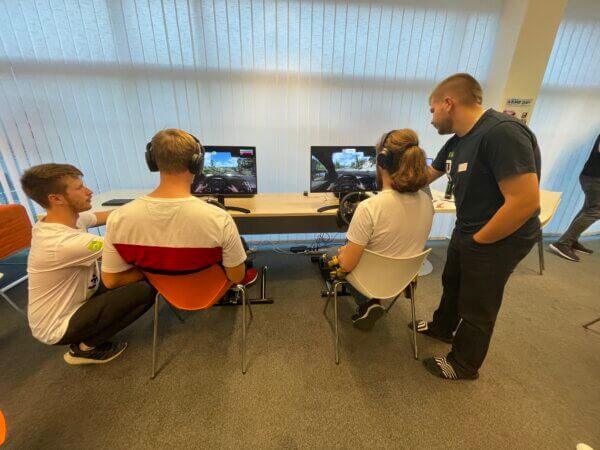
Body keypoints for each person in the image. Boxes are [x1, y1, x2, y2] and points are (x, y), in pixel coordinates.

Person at [415, 73, 541, 380]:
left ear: (448, 103)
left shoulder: (502, 133)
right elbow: (425, 176)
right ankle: (442, 327)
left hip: (501, 234)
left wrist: (480, 241)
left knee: (478, 301)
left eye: (432, 110)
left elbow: (525, 202)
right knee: (453, 281)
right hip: (468, 227)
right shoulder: (457, 141)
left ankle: (463, 364)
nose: (431, 119)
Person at [20, 164, 156, 365]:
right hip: (58, 325)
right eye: (79, 188)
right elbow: (131, 251)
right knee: (145, 288)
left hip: (81, 296)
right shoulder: (62, 243)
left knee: (131, 277)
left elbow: (113, 215)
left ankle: (90, 332)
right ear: (56, 199)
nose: (89, 191)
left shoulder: (64, 220)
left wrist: (150, 205)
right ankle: (85, 348)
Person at [100, 129, 255, 298]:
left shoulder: (118, 218)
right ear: (197, 164)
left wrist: (154, 274)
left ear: (152, 161)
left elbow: (111, 280)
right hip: (211, 291)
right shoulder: (219, 218)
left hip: (163, 292)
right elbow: (236, 276)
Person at [336, 129, 434, 330]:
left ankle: (367, 302)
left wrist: (343, 253)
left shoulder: (369, 208)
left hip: (370, 281)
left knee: (334, 255)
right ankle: (371, 302)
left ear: (382, 161)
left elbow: (346, 265)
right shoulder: (427, 202)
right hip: (404, 279)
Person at [550, 133, 600, 261]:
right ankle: (563, 243)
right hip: (595, 178)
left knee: (588, 209)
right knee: (595, 211)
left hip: (593, 177)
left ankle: (571, 240)